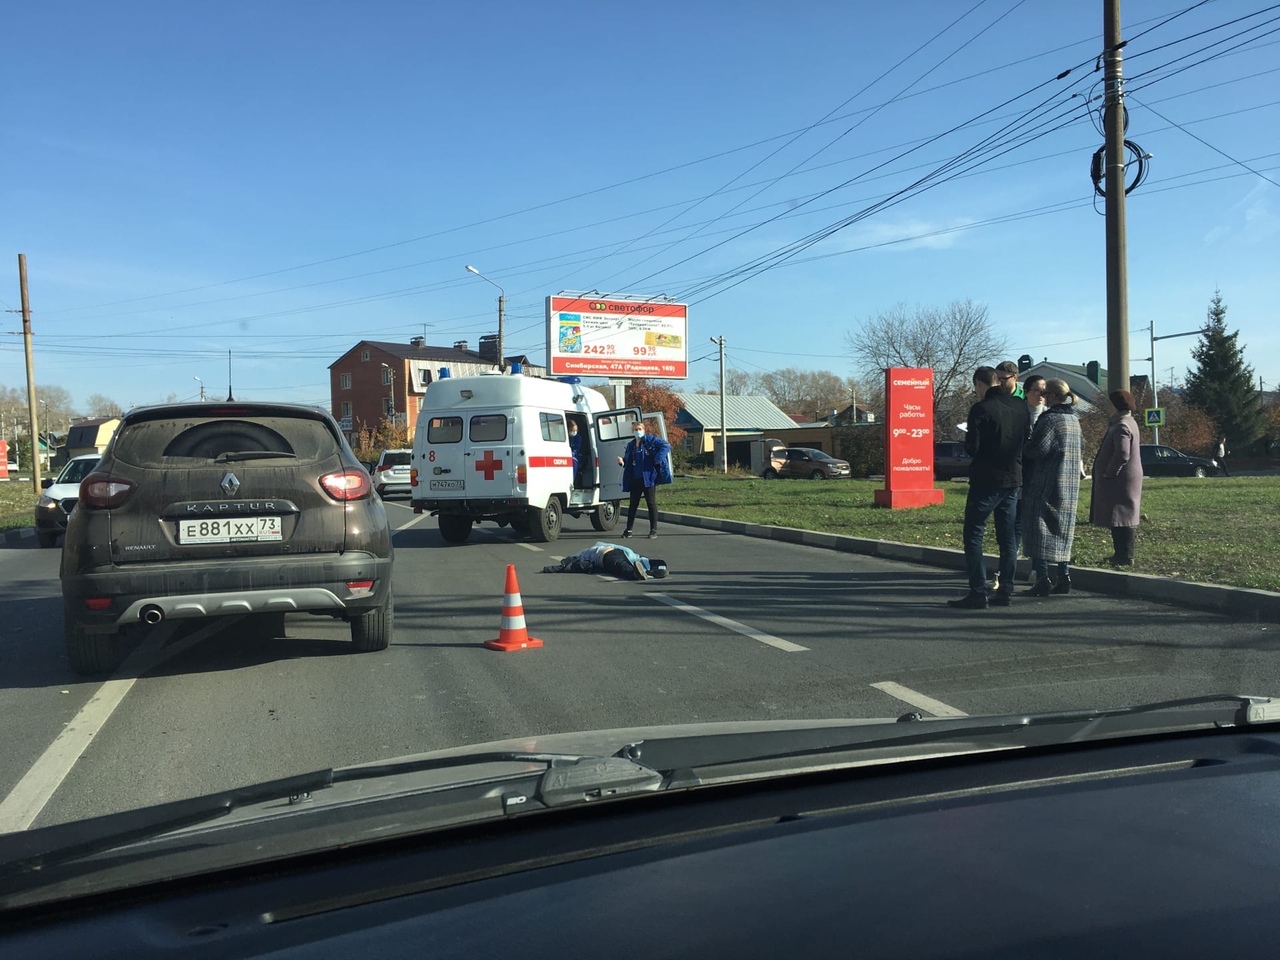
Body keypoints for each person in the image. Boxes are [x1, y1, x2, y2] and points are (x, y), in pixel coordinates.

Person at [949, 365, 1030, 610]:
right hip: (1013, 478)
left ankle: (977, 591)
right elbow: (1025, 439)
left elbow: (972, 448)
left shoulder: (981, 408)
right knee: (1007, 537)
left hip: (986, 479)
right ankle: (1005, 589)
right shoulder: (1020, 406)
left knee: (974, 533)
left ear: (979, 383)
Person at [1021, 379, 1083, 596]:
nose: (1043, 398)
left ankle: (1042, 578)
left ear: (1054, 397)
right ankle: (1064, 576)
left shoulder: (1050, 420)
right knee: (1063, 531)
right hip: (1069, 482)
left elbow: (1036, 450)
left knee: (1039, 531)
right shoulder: (1074, 420)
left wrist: (1024, 444)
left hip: (1046, 483)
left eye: (1046, 394)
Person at [1090, 389, 1144, 567]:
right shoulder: (1128, 422)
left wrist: (1109, 472)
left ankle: (1125, 555)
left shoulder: (1122, 425)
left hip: (1120, 477)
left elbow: (1122, 454)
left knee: (1122, 515)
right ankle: (1120, 554)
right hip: (1124, 476)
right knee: (1120, 515)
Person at [618, 420, 671, 539]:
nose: (638, 431)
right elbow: (628, 461)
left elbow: (666, 445)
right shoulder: (631, 445)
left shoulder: (650, 440)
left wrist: (658, 458)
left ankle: (653, 530)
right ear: (633, 431)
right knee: (633, 505)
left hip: (648, 477)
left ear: (644, 430)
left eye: (639, 429)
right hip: (635, 478)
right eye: (635, 430)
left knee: (651, 503)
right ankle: (629, 530)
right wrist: (622, 461)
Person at [1015, 374, 1048, 562]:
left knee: (1038, 523)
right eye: (1037, 390)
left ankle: (1038, 565)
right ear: (1026, 392)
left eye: (1044, 390)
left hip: (1041, 476)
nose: (1041, 394)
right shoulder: (1018, 413)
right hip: (1020, 474)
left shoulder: (1049, 414)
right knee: (1017, 519)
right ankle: (1014, 557)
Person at [541, 541, 669, 581]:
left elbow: (574, 566)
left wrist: (551, 569)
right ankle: (656, 570)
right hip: (626, 554)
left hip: (606, 555)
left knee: (622, 567)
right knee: (659, 562)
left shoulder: (582, 554)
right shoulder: (595, 547)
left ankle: (637, 574)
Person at [568, 420, 584, 487]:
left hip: (576, 456)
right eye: (572, 430)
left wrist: (571, 454)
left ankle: (573, 481)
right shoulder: (567, 437)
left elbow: (577, 449)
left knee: (573, 461)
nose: (574, 432)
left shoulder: (578, 437)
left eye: (576, 430)